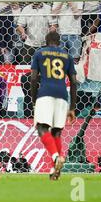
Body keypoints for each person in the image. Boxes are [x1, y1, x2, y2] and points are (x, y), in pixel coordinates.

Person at [30, 31, 77, 181]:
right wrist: (73, 107)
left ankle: (56, 157)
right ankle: (53, 169)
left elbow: (33, 78)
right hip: (63, 95)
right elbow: (74, 82)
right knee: (56, 132)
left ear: (46, 41)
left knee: (42, 128)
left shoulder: (39, 53)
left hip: (45, 93)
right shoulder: (67, 56)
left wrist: (33, 100)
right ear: (59, 42)